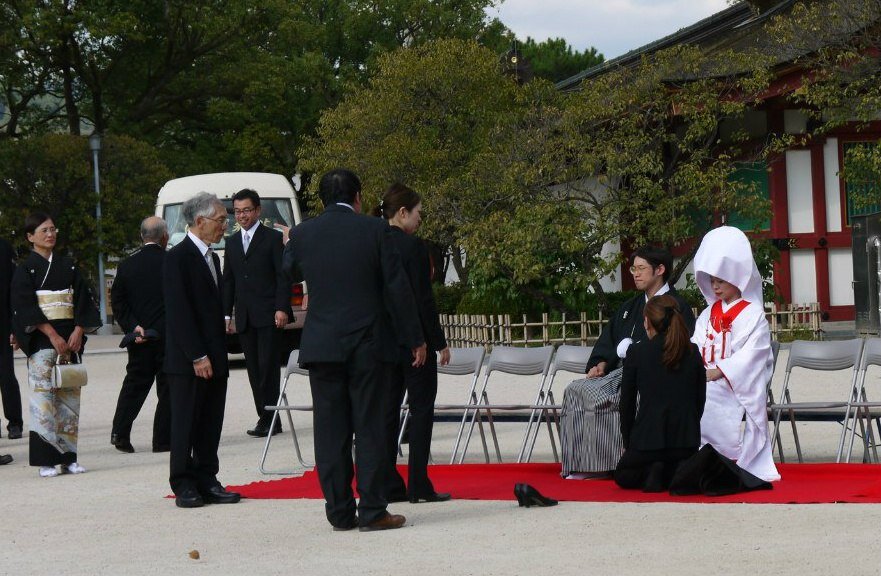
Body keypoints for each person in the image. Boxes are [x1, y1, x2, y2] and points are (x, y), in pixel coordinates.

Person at [282, 168, 425, 532]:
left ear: (321, 200)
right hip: (368, 344)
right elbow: (397, 289)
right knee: (371, 427)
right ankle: (373, 509)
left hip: (322, 344)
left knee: (330, 431)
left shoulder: (302, 233)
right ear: (358, 197)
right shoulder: (376, 230)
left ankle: (339, 510)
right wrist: (415, 338)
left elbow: (285, 275)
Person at [561, 246, 696, 477]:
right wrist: (601, 362)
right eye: (634, 268)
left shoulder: (676, 306)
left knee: (601, 396)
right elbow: (609, 339)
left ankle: (611, 462)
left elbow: (676, 346)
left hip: (655, 374)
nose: (635, 273)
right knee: (575, 390)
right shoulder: (629, 307)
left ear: (660, 269)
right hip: (621, 372)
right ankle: (582, 463)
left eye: (641, 268)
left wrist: (637, 355)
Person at [374, 184, 452, 504]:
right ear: (403, 212)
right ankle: (418, 482)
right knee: (421, 410)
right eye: (418, 212)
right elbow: (421, 299)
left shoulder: (372, 243)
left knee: (387, 412)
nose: (421, 219)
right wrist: (437, 342)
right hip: (413, 341)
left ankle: (387, 480)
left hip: (382, 341)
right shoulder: (413, 247)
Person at [164, 192, 240, 508]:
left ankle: (208, 476)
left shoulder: (212, 257)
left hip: (216, 355)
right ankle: (184, 482)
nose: (225, 226)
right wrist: (197, 355)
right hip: (189, 360)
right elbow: (179, 311)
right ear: (200, 221)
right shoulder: (177, 258)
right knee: (186, 422)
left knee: (211, 422)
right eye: (221, 220)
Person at [10, 212, 101, 477]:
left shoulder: (69, 266)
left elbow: (84, 301)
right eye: (44, 231)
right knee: (43, 402)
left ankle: (69, 458)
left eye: (52, 229)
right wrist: (52, 335)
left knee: (69, 402)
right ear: (30, 237)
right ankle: (46, 460)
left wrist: (78, 330)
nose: (50, 234)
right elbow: (24, 307)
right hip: (42, 341)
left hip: (70, 339)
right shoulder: (25, 270)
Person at [691, 226, 780, 482]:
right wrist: (696, 369)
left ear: (737, 278)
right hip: (707, 376)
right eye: (712, 281)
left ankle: (726, 459)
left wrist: (721, 371)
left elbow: (754, 355)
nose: (715, 287)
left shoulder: (754, 314)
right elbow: (696, 344)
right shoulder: (708, 313)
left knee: (710, 395)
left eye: (721, 281)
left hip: (736, 381)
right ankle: (695, 457)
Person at [614, 295, 706, 491]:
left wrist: (629, 442)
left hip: (648, 441)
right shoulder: (693, 351)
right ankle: (672, 471)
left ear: (647, 322)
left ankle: (653, 470)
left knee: (623, 474)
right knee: (679, 463)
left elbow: (627, 403)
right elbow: (700, 399)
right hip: (685, 442)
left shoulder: (637, 353)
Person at [222, 188, 290, 438]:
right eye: (237, 211)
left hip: (270, 314)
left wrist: (282, 307)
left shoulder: (272, 238)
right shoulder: (231, 242)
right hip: (245, 316)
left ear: (258, 210)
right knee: (253, 369)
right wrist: (226, 316)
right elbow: (228, 281)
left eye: (246, 210)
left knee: (268, 367)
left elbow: (283, 276)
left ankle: (269, 417)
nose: (242, 216)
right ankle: (267, 415)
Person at [109, 216, 171, 454]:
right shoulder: (171, 261)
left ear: (141, 236)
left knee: (134, 386)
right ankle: (163, 439)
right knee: (167, 388)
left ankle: (120, 432)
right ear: (164, 237)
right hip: (166, 337)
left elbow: (118, 301)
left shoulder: (126, 265)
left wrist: (133, 326)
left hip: (139, 337)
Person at [0, 237, 23, 440]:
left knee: (6, 376)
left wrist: (15, 327)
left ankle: (15, 422)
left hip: (3, 323)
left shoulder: (4, 247)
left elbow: (12, 290)